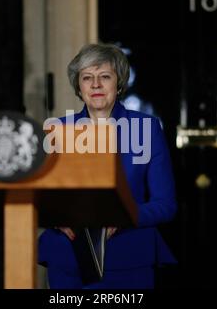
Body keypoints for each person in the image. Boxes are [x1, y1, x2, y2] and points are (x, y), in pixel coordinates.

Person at [38, 43, 177, 289]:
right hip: (67, 261)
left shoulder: (146, 129)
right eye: (87, 78)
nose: (95, 85)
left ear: (119, 83)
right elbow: (40, 198)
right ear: (78, 87)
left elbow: (165, 205)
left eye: (105, 77)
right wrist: (56, 217)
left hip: (128, 260)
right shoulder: (56, 130)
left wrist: (125, 215)